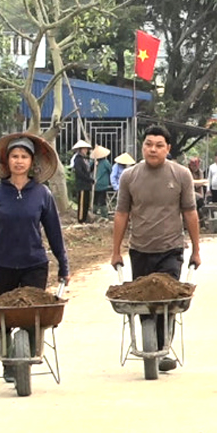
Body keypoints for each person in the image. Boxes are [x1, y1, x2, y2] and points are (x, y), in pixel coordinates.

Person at [110, 125, 201, 373]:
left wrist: (196, 249)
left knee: (167, 302)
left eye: (159, 145)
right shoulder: (130, 176)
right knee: (143, 303)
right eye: (149, 144)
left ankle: (162, 349)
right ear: (142, 146)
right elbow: (122, 214)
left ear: (168, 149)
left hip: (171, 248)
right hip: (140, 249)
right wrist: (116, 250)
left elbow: (190, 212)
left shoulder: (181, 175)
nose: (153, 149)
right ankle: (154, 345)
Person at [0, 132, 70, 299]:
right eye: (14, 156)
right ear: (7, 160)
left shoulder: (42, 194)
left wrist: (64, 266)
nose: (19, 161)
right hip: (1, 267)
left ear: (31, 161)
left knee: (32, 319)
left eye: (24, 157)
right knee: (1, 320)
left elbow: (54, 233)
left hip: (34, 266)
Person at [70, 138, 94, 223]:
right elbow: (79, 173)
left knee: (86, 203)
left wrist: (94, 165)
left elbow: (87, 171)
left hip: (87, 185)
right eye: (85, 149)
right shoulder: (78, 159)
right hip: (82, 185)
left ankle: (84, 218)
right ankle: (80, 220)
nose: (86, 150)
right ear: (80, 149)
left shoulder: (85, 160)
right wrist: (89, 179)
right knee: (82, 203)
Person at [92, 146, 113, 220]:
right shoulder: (104, 162)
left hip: (97, 184)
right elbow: (111, 170)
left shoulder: (102, 162)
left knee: (97, 199)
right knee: (101, 200)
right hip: (101, 184)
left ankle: (97, 213)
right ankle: (102, 214)